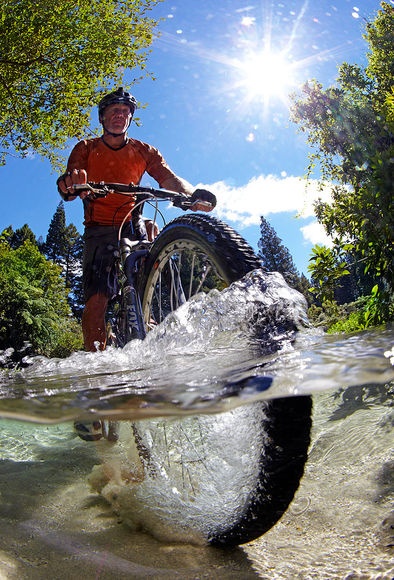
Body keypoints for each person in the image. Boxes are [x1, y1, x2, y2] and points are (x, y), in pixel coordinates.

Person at [57, 87, 216, 354]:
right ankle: (96, 364)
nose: (119, 115)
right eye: (113, 111)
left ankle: (147, 312)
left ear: (130, 118)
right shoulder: (86, 147)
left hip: (131, 219)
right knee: (97, 299)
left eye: (124, 112)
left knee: (151, 244)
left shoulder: (144, 151)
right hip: (99, 227)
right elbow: (72, 178)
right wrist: (73, 183)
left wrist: (191, 195)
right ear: (102, 118)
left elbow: (168, 179)